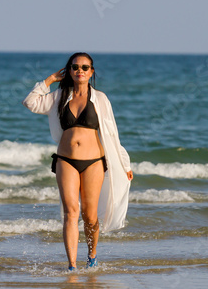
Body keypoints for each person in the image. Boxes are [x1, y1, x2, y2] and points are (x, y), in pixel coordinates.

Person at [22, 52, 133, 271]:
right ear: (69, 70)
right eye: (75, 67)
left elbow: (112, 134)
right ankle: (72, 266)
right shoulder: (58, 96)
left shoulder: (100, 99)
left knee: (89, 216)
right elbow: (30, 103)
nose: (79, 71)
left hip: (93, 161)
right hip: (66, 160)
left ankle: (92, 256)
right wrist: (49, 81)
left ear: (91, 72)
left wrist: (125, 164)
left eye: (84, 67)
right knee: (71, 213)